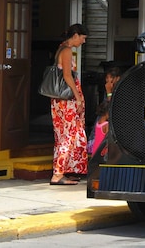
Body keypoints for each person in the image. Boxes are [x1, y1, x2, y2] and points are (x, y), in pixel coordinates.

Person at [51, 24, 88, 185]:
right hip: (67, 100)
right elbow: (67, 75)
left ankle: (63, 170)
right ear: (76, 35)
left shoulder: (62, 48)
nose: (83, 41)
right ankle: (58, 174)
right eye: (83, 38)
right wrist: (78, 96)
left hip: (61, 100)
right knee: (69, 135)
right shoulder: (66, 51)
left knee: (65, 135)